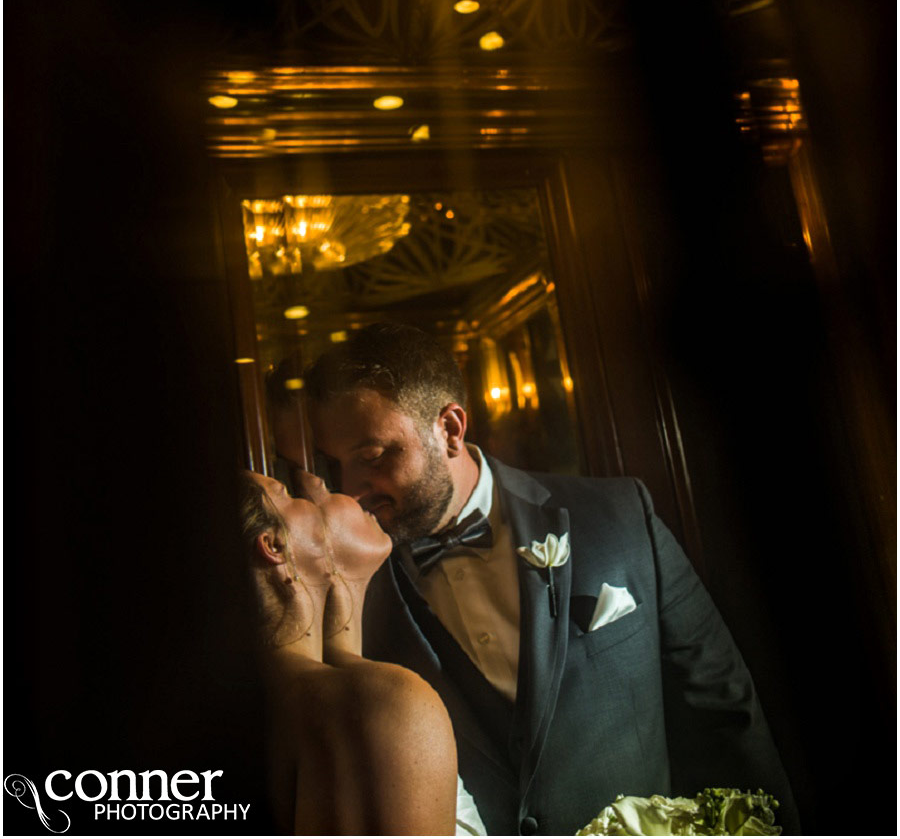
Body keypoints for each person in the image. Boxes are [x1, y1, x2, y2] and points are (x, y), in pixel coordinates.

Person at [294, 322, 799, 837]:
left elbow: (723, 710)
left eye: (373, 457)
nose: (352, 489)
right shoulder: (354, 589)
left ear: (449, 427)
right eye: (337, 466)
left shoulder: (619, 515)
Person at [239, 466, 485, 835]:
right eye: (290, 494)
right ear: (274, 546)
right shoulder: (384, 703)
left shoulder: (263, 700)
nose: (318, 491)